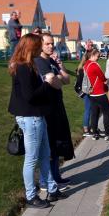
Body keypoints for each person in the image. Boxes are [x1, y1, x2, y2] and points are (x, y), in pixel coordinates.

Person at [8, 33, 64, 208]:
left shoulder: (28, 65)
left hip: (37, 116)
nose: (41, 48)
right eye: (38, 45)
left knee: (45, 154)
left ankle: (51, 189)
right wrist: (47, 83)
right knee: (32, 158)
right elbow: (30, 96)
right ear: (30, 47)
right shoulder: (23, 67)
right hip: (31, 117)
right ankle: (31, 196)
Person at [34, 33, 74, 191]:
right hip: (48, 108)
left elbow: (66, 80)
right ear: (40, 45)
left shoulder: (51, 60)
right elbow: (56, 84)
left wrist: (60, 65)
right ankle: (46, 181)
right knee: (49, 145)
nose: (51, 47)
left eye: (52, 44)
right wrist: (57, 78)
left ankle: (55, 177)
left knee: (56, 144)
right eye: (47, 44)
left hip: (57, 106)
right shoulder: (39, 61)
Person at [84, 49, 109, 141]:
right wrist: (107, 83)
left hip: (91, 93)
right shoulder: (94, 65)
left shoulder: (86, 64)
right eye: (98, 56)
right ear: (93, 55)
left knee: (94, 113)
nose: (98, 58)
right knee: (106, 113)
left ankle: (95, 133)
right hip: (99, 93)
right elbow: (102, 77)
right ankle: (108, 134)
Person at [74, 52, 93, 137]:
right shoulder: (83, 69)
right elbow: (82, 82)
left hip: (86, 90)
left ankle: (92, 127)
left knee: (91, 109)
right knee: (88, 109)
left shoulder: (81, 68)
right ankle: (86, 129)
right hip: (85, 91)